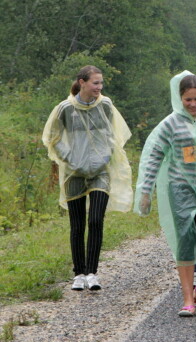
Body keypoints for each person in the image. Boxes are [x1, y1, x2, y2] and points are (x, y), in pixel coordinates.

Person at [136, 71, 196, 317]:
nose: (192, 105)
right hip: (181, 188)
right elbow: (154, 157)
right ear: (179, 98)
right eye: (187, 100)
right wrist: (146, 191)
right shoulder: (170, 123)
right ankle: (187, 298)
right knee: (184, 239)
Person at [42, 65, 133, 291]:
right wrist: (71, 158)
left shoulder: (105, 105)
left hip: (100, 172)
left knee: (95, 220)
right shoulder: (65, 109)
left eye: (101, 83)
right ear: (82, 82)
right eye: (95, 83)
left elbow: (114, 135)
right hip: (74, 173)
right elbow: (52, 138)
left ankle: (92, 272)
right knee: (77, 225)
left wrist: (104, 155)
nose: (99, 87)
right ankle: (79, 274)